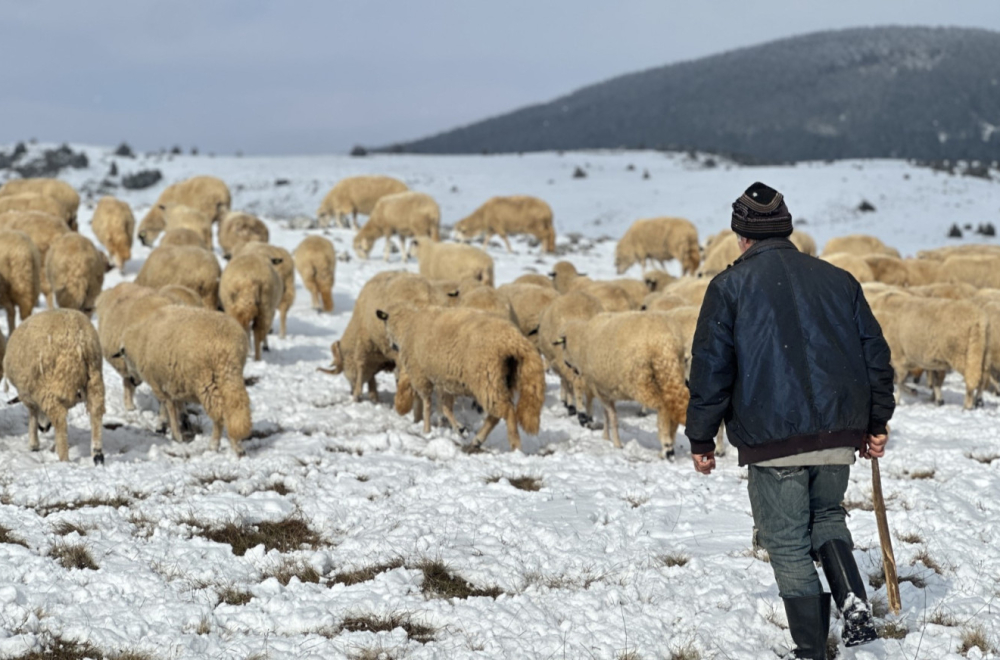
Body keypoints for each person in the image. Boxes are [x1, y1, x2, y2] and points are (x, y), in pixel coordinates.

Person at [685, 182, 895, 659]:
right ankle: (854, 605)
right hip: (838, 433)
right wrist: (876, 422)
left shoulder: (729, 286)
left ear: (742, 236)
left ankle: (811, 648)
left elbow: (711, 367)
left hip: (773, 437)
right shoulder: (838, 279)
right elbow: (874, 357)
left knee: (785, 539)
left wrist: (702, 436)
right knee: (826, 514)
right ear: (787, 229)